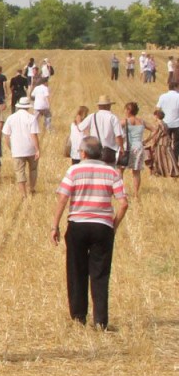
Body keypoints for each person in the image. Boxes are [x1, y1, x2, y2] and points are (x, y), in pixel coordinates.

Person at [50, 137, 128, 331]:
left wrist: (55, 226)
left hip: (78, 225)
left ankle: (79, 317)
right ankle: (100, 321)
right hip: (102, 227)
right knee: (100, 274)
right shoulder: (112, 172)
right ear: (100, 153)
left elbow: (63, 198)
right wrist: (113, 226)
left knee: (76, 270)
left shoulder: (74, 170)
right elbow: (123, 203)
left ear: (83, 153)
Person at [3, 97, 41, 198]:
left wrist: (11, 148)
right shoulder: (31, 118)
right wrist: (37, 149)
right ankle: (32, 188)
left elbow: (6, 136)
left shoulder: (11, 118)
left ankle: (23, 194)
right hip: (31, 148)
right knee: (33, 169)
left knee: (20, 172)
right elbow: (34, 135)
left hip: (17, 149)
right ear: (28, 107)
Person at [122, 103, 147, 196]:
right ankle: (136, 193)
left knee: (120, 170)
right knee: (136, 172)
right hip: (139, 147)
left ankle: (121, 191)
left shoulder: (125, 121)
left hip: (127, 147)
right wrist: (146, 140)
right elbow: (155, 129)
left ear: (128, 110)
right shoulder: (142, 121)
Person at [157, 80, 179, 167]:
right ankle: (175, 162)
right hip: (177, 124)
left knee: (165, 144)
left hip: (165, 124)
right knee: (176, 144)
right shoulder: (178, 96)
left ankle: (166, 162)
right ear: (176, 87)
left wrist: (159, 120)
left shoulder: (162, 96)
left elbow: (158, 109)